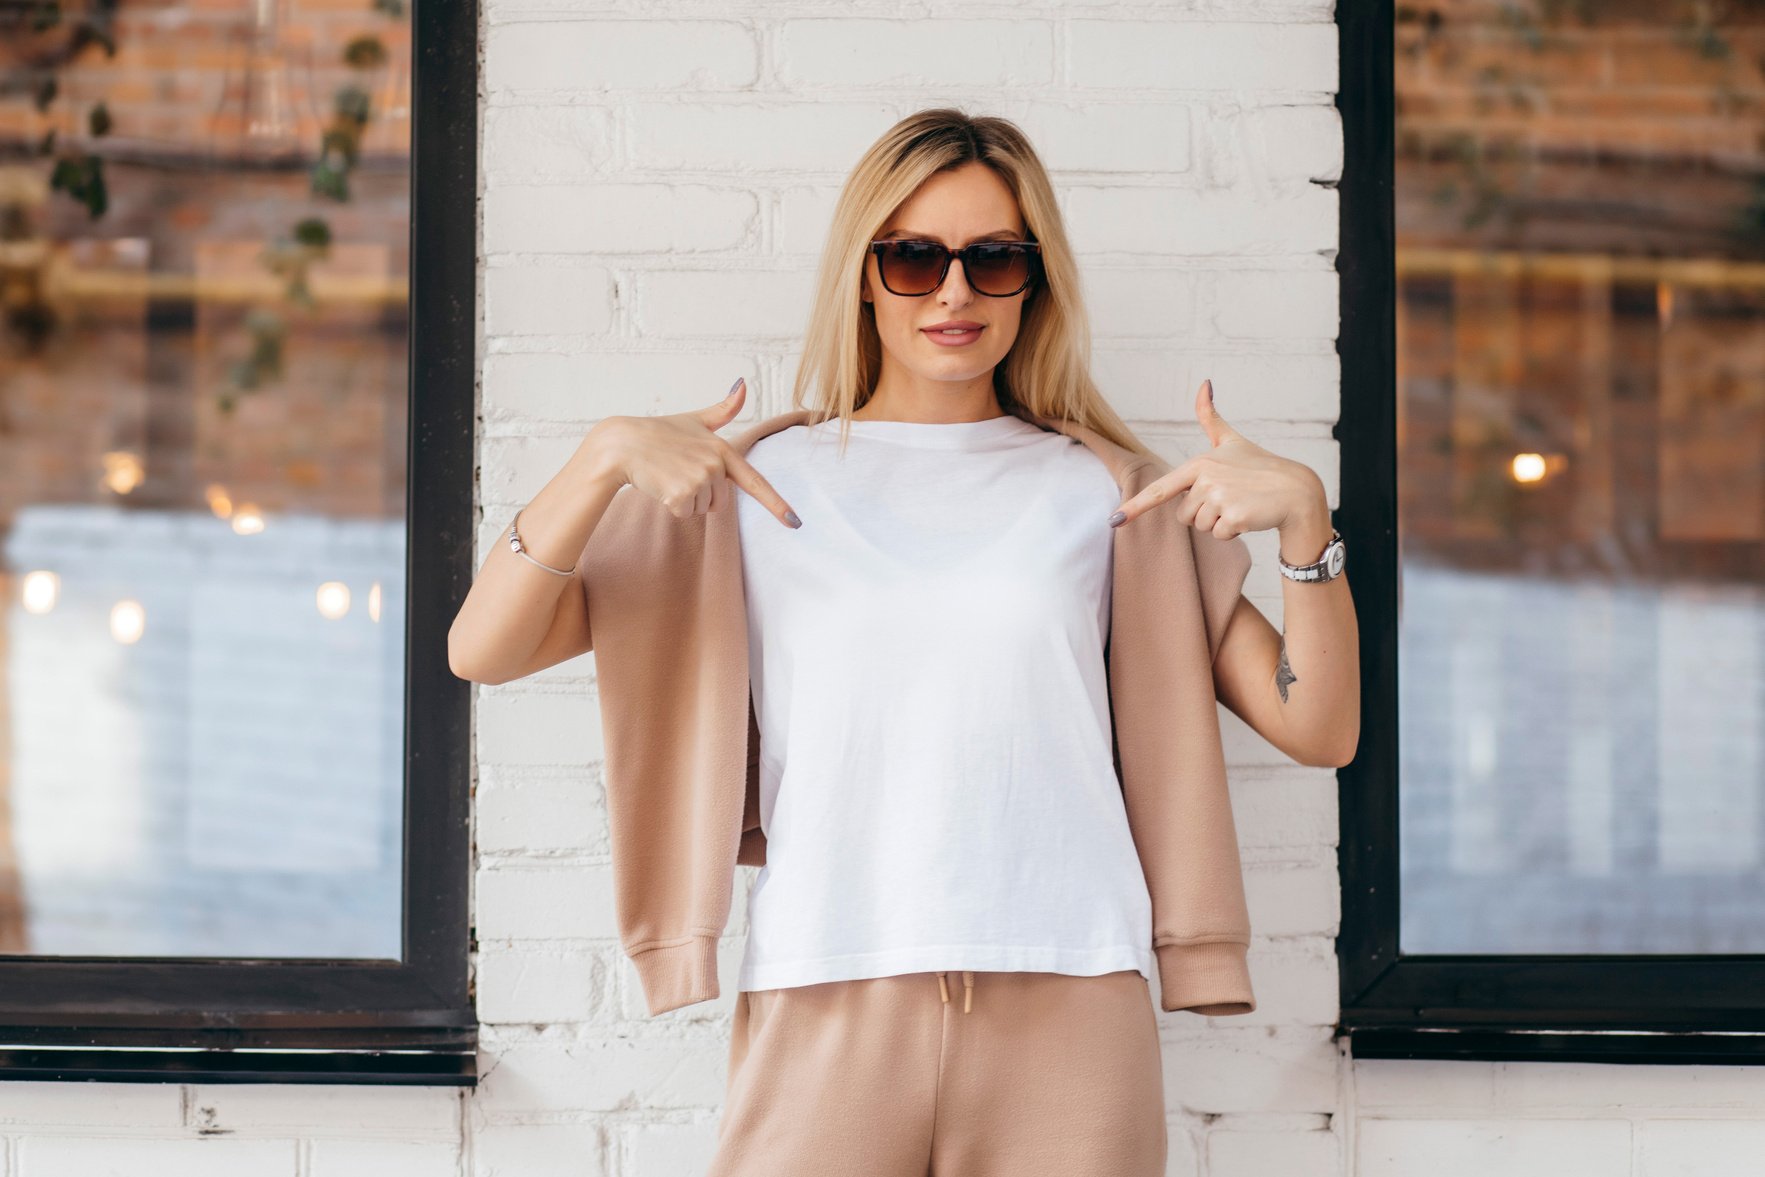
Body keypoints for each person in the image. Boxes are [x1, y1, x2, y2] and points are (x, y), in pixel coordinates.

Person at [449, 108, 1359, 1177]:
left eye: (994, 258)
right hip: (826, 988)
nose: (955, 293)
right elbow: (484, 647)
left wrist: (1306, 519)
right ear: (866, 273)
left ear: (1037, 278)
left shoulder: (1108, 494)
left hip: (1068, 995)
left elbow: (1318, 726)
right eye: (915, 257)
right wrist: (599, 460)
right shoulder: (752, 486)